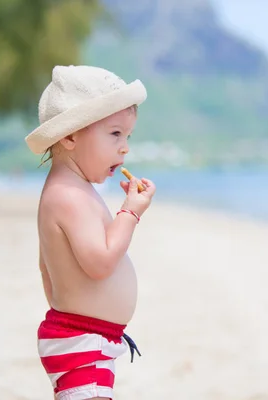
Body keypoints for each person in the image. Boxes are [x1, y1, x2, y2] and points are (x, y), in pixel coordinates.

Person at [24, 65, 156, 399]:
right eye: (114, 134)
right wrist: (130, 213)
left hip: (85, 336)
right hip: (83, 339)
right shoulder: (68, 195)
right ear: (70, 135)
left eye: (128, 136)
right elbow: (99, 263)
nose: (124, 148)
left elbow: (47, 268)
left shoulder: (72, 189)